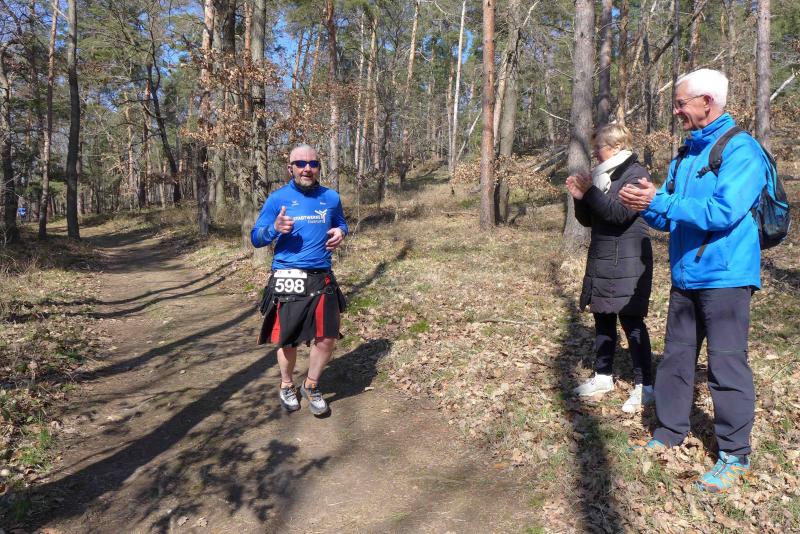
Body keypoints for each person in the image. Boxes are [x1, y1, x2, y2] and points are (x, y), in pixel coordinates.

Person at [619, 69, 767, 492]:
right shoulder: (686, 154)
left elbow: (724, 211)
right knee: (677, 360)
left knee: (726, 364)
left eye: (681, 102)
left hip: (725, 277)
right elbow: (670, 216)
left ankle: (735, 454)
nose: (676, 110)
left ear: (707, 101)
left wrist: (662, 201)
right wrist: (645, 204)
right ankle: (669, 431)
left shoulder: (741, 150)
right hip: (686, 275)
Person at [251, 144, 348, 416]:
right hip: (288, 276)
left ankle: (311, 385)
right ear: (290, 168)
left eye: (313, 164)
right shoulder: (277, 199)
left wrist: (341, 232)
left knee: (327, 338)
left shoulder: (331, 197)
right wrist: (274, 229)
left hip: (321, 277)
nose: (307, 168)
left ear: (318, 167)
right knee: (287, 340)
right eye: (301, 163)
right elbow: (256, 238)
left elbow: (341, 223)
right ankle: (286, 384)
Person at [566, 124, 654, 413]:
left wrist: (590, 191)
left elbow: (618, 214)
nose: (594, 152)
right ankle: (603, 376)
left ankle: (645, 386)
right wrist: (580, 197)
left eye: (599, 147)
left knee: (631, 321)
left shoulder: (635, 174)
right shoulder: (604, 175)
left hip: (629, 259)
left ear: (617, 146)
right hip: (603, 256)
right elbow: (590, 220)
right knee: (602, 317)